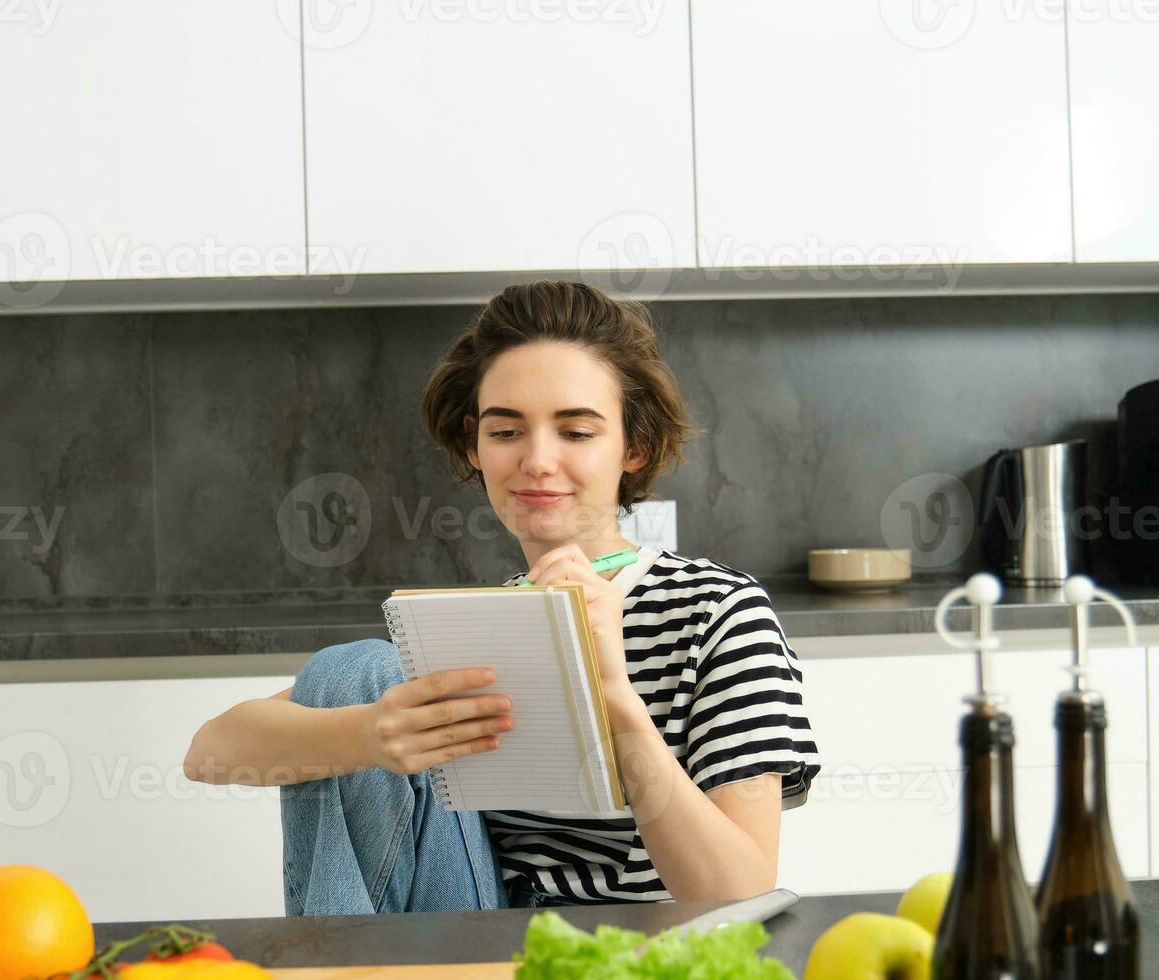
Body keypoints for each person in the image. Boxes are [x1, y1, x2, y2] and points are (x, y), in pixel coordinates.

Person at [183, 281, 821, 912]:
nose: (538, 461)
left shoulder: (719, 612)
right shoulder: (479, 627)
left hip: (637, 950)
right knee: (355, 669)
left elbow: (742, 897)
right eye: (507, 431)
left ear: (635, 446)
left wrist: (614, 697)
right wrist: (374, 737)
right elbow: (209, 753)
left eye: (576, 432)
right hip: (482, 936)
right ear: (474, 445)